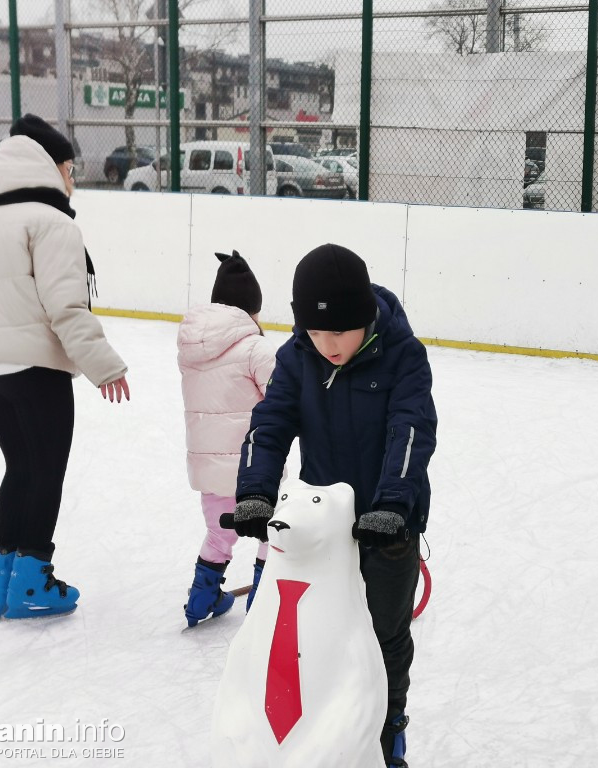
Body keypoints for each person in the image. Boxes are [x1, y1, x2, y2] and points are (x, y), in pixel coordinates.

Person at [227, 244, 437, 768]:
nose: (327, 344)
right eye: (316, 332)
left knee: (384, 635)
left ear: (364, 317)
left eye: (338, 331)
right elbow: (269, 424)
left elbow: (410, 432)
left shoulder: (403, 356)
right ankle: (324, 735)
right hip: (324, 532)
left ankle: (388, 732)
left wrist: (390, 505)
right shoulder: (297, 357)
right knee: (317, 635)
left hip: (388, 529)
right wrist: (255, 491)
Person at [0, 114, 130, 620]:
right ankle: (32, 584)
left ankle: (6, 577)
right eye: (69, 168)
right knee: (45, 472)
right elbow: (65, 307)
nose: (72, 179)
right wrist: (105, 365)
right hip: (34, 370)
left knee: (21, 468)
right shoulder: (52, 222)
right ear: (49, 166)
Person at [178, 251, 274, 627]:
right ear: (251, 310)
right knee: (271, 529)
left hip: (208, 468)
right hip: (255, 468)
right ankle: (263, 604)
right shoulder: (256, 348)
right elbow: (280, 401)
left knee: (219, 535)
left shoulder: (191, 348)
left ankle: (200, 600)